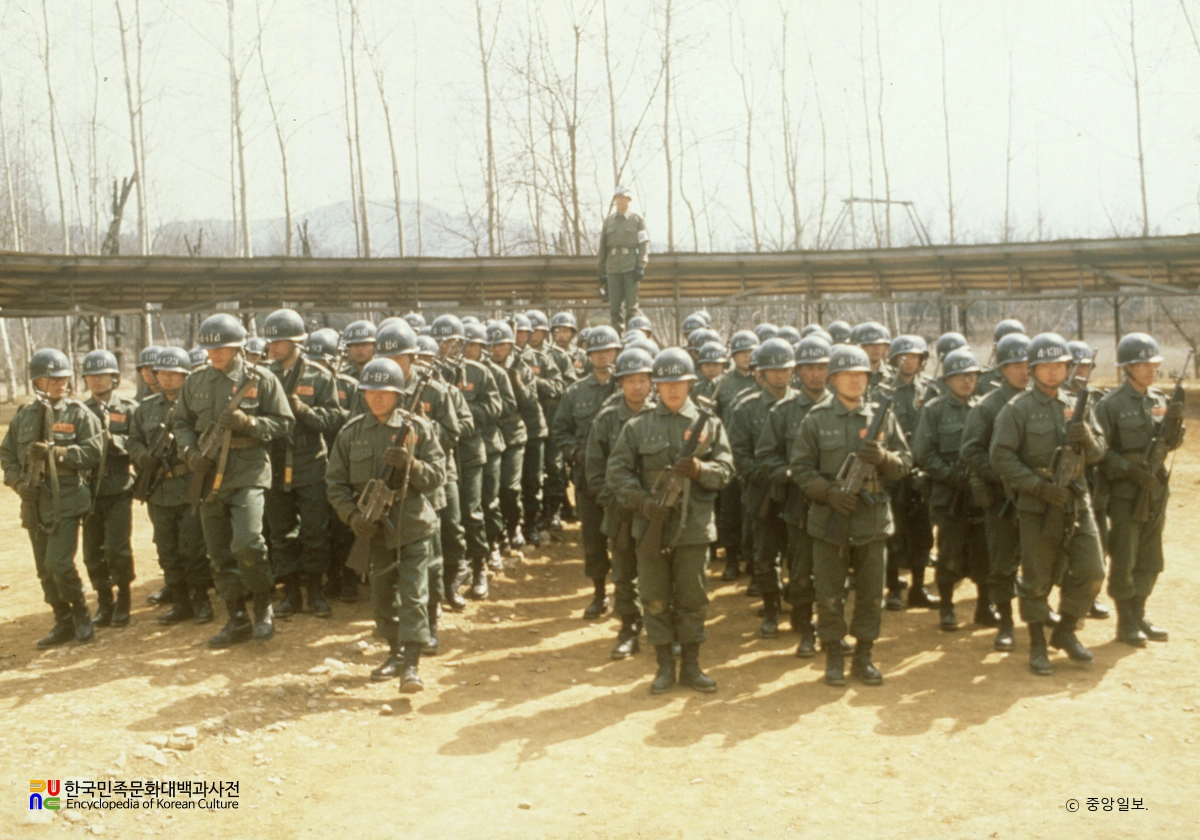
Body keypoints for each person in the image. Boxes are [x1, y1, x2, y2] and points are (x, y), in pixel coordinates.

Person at [607, 348, 734, 694]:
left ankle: (691, 665)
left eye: (679, 382)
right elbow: (617, 473)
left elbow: (726, 471)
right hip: (651, 525)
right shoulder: (638, 425)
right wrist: (644, 503)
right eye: (666, 383)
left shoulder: (709, 425)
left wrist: (700, 469)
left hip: (693, 527)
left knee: (693, 598)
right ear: (656, 386)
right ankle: (664, 666)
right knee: (654, 597)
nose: (673, 389)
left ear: (691, 384)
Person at [790, 344, 911, 687]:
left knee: (871, 594)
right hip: (829, 518)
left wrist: (884, 458)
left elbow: (905, 464)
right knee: (829, 593)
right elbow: (800, 469)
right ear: (833, 380)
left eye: (861, 375)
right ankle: (832, 655)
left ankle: (864, 656)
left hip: (871, 520)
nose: (856, 381)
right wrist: (829, 493)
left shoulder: (882, 417)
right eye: (848, 375)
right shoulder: (816, 419)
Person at [174, 313, 294, 649]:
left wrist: (249, 424)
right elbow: (181, 423)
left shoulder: (261, 379)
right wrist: (189, 452)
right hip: (208, 474)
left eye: (222, 348)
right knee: (218, 550)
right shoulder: (195, 382)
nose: (215, 354)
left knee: (248, 542)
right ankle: (236, 616)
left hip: (247, 471)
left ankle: (263, 603)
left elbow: (284, 422)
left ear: (238, 347)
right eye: (210, 349)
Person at [989, 332, 1107, 676]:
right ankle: (1038, 643)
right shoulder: (1017, 409)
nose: (1054, 372)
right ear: (1032, 369)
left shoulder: (1078, 404)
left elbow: (1099, 451)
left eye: (1060, 365)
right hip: (1037, 507)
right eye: (1046, 366)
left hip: (1076, 500)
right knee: (1036, 579)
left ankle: (1065, 630)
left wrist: (1087, 437)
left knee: (1092, 569)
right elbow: (1001, 457)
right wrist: (1038, 487)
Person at [326, 358, 445, 693]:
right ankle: (394, 653)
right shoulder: (351, 433)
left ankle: (411, 665)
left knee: (413, 595)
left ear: (398, 395)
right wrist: (353, 517)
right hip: (374, 532)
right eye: (371, 391)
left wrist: (413, 465)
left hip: (413, 526)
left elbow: (438, 476)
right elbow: (334, 484)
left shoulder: (417, 429)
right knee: (381, 599)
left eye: (385, 392)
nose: (377, 397)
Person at [1, 349, 103, 648]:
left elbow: (94, 452)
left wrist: (57, 453)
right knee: (44, 569)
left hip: (67, 499)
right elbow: (7, 454)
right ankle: (63, 620)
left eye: (64, 378)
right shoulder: (24, 416)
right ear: (37, 381)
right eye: (53, 379)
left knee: (59, 563)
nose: (60, 383)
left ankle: (81, 612)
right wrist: (18, 483)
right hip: (34, 502)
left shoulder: (78, 414)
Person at [1094, 333, 1184, 647]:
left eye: (1154, 363)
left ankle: (1139, 613)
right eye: (1143, 364)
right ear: (1127, 367)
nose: (1151, 369)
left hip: (1155, 490)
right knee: (1125, 557)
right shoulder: (1110, 405)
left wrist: (1176, 427)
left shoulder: (1159, 399)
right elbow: (1099, 452)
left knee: (1151, 557)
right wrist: (1129, 471)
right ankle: (1125, 621)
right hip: (1125, 494)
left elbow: (1169, 443)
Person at [262, 308, 343, 620]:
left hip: (310, 462)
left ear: (296, 342)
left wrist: (304, 411)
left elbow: (334, 419)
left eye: (279, 341)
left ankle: (315, 591)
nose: (272, 347)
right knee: (280, 532)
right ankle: (291, 592)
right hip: (274, 460)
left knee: (314, 531)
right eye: (270, 341)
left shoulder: (319, 376)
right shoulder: (263, 376)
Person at [128, 347, 214, 625]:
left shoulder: (197, 406)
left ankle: (200, 600)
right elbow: (133, 441)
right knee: (167, 549)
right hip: (158, 489)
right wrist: (142, 456)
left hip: (189, 485)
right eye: (162, 373)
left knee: (193, 548)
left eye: (173, 374)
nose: (166, 378)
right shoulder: (146, 408)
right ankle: (180, 602)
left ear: (186, 376)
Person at [913, 347, 996, 632]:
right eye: (960, 376)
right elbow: (924, 454)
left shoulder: (984, 409)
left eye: (971, 375)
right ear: (947, 380)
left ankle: (984, 607)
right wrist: (952, 477)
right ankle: (947, 607)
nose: (967, 381)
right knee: (949, 550)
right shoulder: (933, 411)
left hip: (980, 493)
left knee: (983, 550)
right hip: (949, 495)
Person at [757, 335, 830, 657]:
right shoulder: (783, 412)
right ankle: (805, 626)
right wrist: (790, 474)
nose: (816, 374)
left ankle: (831, 628)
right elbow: (766, 455)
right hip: (799, 502)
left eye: (822, 367)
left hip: (837, 502)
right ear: (798, 371)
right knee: (801, 569)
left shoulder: (847, 408)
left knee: (835, 570)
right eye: (809, 368)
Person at [959, 332, 1031, 652]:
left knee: (1040, 558)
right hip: (1003, 499)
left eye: (1028, 363)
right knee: (1002, 562)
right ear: (1001, 369)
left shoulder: (1042, 401)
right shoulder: (987, 407)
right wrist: (1005, 475)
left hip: (1037, 496)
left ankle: (1038, 614)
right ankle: (1005, 622)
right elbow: (971, 452)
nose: (1023, 371)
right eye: (1015, 365)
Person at [586, 347, 655, 659]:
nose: (637, 387)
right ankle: (628, 628)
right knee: (625, 572)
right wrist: (612, 503)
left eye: (643, 380)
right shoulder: (607, 420)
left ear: (651, 382)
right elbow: (594, 470)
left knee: (660, 571)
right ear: (620, 384)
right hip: (622, 510)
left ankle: (662, 626)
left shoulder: (663, 415)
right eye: (630, 380)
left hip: (657, 510)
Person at [728, 338, 795, 638]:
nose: (779, 375)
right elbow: (738, 454)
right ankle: (770, 608)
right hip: (763, 492)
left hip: (799, 492)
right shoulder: (746, 408)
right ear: (761, 373)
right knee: (766, 554)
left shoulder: (804, 404)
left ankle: (800, 605)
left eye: (784, 369)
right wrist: (768, 478)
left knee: (801, 554)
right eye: (773, 370)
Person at [552, 325, 621, 618]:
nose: (602, 356)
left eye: (608, 351)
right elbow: (560, 431)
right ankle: (599, 593)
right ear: (588, 355)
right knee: (593, 539)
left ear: (617, 352)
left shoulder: (626, 388)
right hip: (588, 478)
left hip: (622, 476)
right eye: (597, 351)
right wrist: (578, 454)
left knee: (625, 538)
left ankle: (626, 595)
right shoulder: (574, 392)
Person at [79, 349, 138, 628]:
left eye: (103, 375)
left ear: (114, 378)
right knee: (92, 551)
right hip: (89, 491)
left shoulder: (128, 409)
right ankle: (105, 602)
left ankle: (124, 599)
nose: (97, 380)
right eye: (91, 375)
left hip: (118, 488)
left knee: (117, 548)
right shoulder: (80, 412)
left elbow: (139, 443)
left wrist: (115, 441)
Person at [880, 335, 939, 611]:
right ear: (893, 360)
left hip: (921, 470)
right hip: (892, 469)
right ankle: (893, 587)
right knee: (893, 530)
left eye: (915, 357)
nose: (909, 362)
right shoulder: (882, 391)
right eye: (903, 357)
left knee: (922, 531)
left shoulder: (929, 390)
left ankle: (918, 588)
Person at [715, 329, 760, 582]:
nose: (747, 356)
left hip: (755, 456)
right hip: (730, 454)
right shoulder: (722, 383)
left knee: (753, 511)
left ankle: (753, 560)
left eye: (751, 351)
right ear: (733, 356)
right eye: (742, 352)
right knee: (729, 510)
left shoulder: (761, 379)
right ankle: (731, 560)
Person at [598, 185, 649, 332]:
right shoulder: (609, 221)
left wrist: (641, 266)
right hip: (612, 268)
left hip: (630, 267)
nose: (620, 201)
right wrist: (601, 269)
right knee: (614, 308)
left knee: (632, 308)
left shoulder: (637, 220)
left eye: (623, 198)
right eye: (617, 198)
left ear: (628, 200)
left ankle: (633, 336)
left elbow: (643, 244)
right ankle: (617, 337)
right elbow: (602, 247)